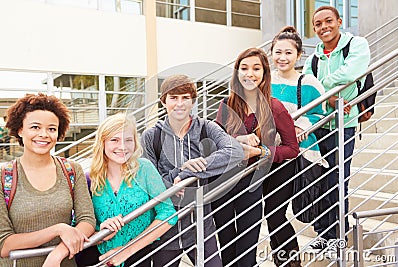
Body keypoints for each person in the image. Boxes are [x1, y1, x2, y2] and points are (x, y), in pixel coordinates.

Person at [141, 74, 244, 267]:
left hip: (201, 226)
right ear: (163, 101)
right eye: (173, 98)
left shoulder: (207, 128)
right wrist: (171, 183)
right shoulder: (151, 136)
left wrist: (190, 172)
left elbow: (235, 151)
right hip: (165, 228)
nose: (179, 104)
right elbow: (148, 179)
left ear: (193, 101)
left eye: (185, 98)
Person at [213, 47, 299, 267]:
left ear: (264, 73)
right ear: (236, 73)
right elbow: (214, 142)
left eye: (256, 68)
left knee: (246, 249)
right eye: (244, 68)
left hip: (252, 183)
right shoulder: (226, 105)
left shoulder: (274, 108)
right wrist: (237, 141)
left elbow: (292, 148)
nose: (249, 73)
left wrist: (262, 151)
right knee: (226, 245)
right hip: (224, 182)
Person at [302, 5, 371, 250]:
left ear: (339, 21)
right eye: (318, 24)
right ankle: (323, 234)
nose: (324, 27)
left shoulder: (357, 45)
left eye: (328, 21)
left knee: (338, 179)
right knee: (319, 180)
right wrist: (328, 95)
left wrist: (322, 89)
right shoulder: (313, 58)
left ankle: (337, 236)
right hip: (318, 123)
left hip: (344, 124)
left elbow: (352, 72)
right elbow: (305, 86)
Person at [0, 93, 96, 267]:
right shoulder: (4, 176)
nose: (44, 134)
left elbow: (87, 220)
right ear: (20, 130)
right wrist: (57, 230)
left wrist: (57, 254)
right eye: (35, 127)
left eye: (51, 129)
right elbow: (4, 244)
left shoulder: (72, 170)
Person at [75, 113, 177, 267]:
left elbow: (168, 214)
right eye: (114, 140)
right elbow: (77, 223)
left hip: (137, 257)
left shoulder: (144, 169)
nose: (123, 147)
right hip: (95, 258)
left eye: (128, 140)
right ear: (102, 143)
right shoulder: (89, 179)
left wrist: (126, 250)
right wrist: (100, 234)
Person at [268, 26, 328, 266]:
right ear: (271, 53)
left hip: (293, 155)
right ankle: (284, 260)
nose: (282, 57)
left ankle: (289, 261)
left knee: (275, 211)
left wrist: (302, 126)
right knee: (271, 212)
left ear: (299, 55)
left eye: (288, 53)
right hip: (265, 154)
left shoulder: (308, 82)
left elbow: (319, 114)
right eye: (278, 52)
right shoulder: (264, 81)